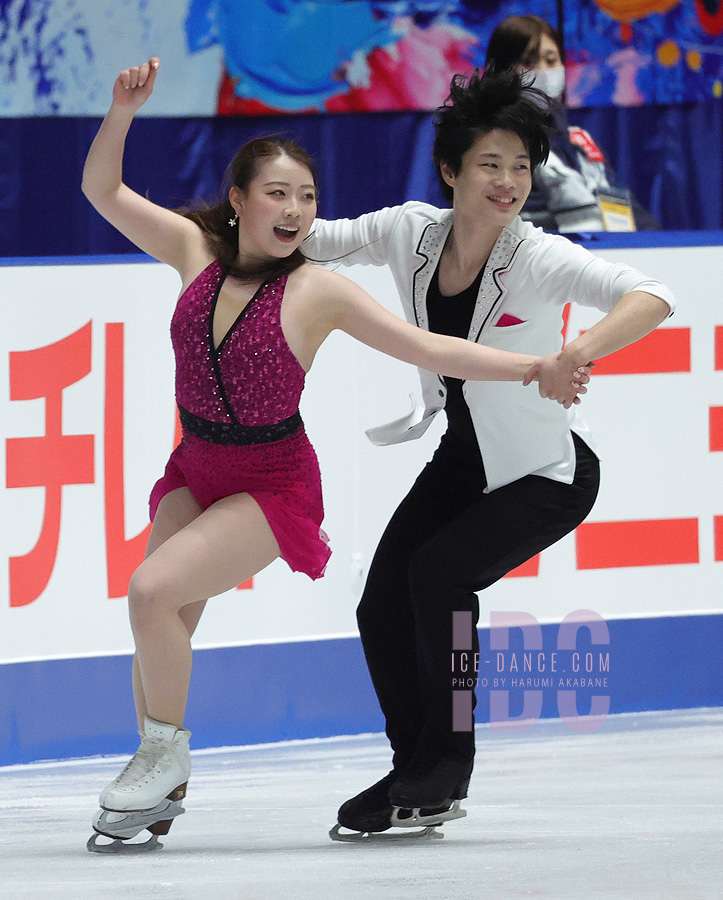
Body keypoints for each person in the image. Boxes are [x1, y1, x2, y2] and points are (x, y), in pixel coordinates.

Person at [80, 59, 589, 852]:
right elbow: (103, 192)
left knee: (150, 591)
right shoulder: (192, 250)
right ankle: (160, 771)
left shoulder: (316, 289)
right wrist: (121, 111)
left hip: (269, 482)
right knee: (161, 616)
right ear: (238, 199)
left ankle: (163, 757)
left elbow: (431, 347)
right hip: (195, 465)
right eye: (277, 193)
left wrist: (536, 365)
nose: (295, 210)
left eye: (307, 196)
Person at [302, 65, 674, 840]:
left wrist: (578, 351)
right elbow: (311, 241)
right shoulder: (409, 231)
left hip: (545, 475)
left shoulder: (535, 255)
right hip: (463, 459)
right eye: (489, 164)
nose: (507, 182)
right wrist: (226, 222)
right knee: (380, 604)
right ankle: (415, 768)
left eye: (519, 166)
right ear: (450, 170)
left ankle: (446, 762)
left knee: (439, 577)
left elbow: (650, 294)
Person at [485, 15, 660, 233]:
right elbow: (516, 225)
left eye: (551, 61)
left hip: (612, 247)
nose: (543, 71)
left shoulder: (579, 140)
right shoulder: (494, 142)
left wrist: (658, 241)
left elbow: (622, 204)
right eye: (529, 62)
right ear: (502, 70)